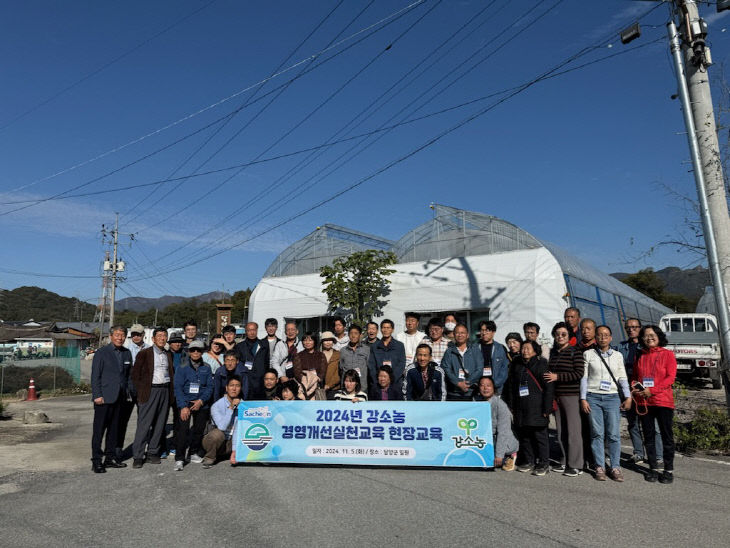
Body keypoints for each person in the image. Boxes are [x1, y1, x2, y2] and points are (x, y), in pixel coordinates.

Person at [581, 325, 631, 482]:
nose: (603, 337)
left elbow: (622, 378)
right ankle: (599, 466)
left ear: (611, 338)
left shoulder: (617, 356)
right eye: (600, 335)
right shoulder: (588, 354)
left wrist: (628, 397)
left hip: (612, 397)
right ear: (596, 337)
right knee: (597, 433)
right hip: (593, 397)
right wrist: (583, 398)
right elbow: (584, 378)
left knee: (614, 434)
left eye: (606, 335)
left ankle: (615, 466)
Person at [632, 325, 677, 484]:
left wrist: (652, 390)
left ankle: (668, 470)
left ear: (658, 336)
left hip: (663, 401)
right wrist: (638, 389)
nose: (648, 338)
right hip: (645, 402)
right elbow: (635, 378)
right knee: (649, 436)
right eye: (645, 335)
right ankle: (652, 468)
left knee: (666, 436)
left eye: (652, 335)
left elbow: (670, 378)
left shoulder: (668, 354)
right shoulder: (641, 356)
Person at [502, 340, 554, 476]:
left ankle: (543, 463)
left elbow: (549, 388)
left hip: (538, 407)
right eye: (523, 348)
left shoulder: (541, 364)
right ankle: (529, 461)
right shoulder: (516, 363)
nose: (525, 350)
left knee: (540, 436)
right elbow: (511, 386)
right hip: (521, 407)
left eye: (528, 348)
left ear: (535, 351)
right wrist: (511, 405)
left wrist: (547, 409)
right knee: (525, 436)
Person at [544, 321, 584, 477]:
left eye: (563, 334)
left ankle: (576, 464)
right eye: (557, 334)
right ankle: (564, 460)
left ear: (569, 336)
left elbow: (578, 374)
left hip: (571, 396)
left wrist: (557, 377)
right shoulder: (553, 353)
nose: (560, 337)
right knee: (561, 431)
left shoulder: (575, 352)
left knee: (573, 431)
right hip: (557, 396)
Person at [130, 327, 175, 469]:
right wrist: (140, 393)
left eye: (164, 336)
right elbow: (135, 376)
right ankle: (138, 455)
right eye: (159, 336)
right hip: (150, 391)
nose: (162, 338)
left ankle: (152, 452)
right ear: (153, 339)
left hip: (165, 390)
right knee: (144, 424)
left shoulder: (168, 354)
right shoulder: (144, 354)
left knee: (160, 424)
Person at [619, 317, 662, 465]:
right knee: (632, 423)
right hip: (629, 389)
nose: (631, 330)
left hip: (647, 389)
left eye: (635, 327)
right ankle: (638, 453)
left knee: (653, 425)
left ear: (640, 328)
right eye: (628, 328)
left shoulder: (647, 348)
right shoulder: (621, 347)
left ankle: (658, 455)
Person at [90, 326, 132, 473]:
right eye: (117, 335)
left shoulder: (127, 353)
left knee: (114, 431)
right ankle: (96, 460)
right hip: (104, 398)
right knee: (99, 431)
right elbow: (95, 376)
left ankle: (110, 458)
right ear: (111, 336)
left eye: (122, 335)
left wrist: (128, 393)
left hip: (119, 398)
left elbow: (127, 376)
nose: (120, 338)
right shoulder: (102, 353)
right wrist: (97, 395)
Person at [173, 340, 213, 471]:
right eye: (193, 350)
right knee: (182, 431)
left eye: (198, 350)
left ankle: (193, 452)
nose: (196, 352)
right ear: (189, 352)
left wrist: (201, 401)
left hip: (200, 402)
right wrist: (183, 406)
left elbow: (209, 387)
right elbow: (178, 387)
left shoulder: (206, 367)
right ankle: (179, 458)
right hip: (186, 402)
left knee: (198, 430)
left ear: (202, 352)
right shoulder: (182, 367)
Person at [117, 323, 148, 462]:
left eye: (138, 334)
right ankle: (117, 451)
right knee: (122, 421)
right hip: (128, 390)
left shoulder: (149, 349)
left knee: (144, 421)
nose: (136, 337)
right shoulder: (126, 349)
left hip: (144, 390)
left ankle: (140, 451)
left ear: (143, 335)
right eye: (133, 334)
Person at [474, 377, 518, 471]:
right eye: (482, 385)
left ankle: (510, 455)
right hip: (486, 438)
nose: (485, 388)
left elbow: (503, 432)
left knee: (493, 463)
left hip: (501, 439)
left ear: (494, 388)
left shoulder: (500, 405)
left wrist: (499, 455)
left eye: (488, 385)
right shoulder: (476, 402)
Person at [202, 375, 242, 468]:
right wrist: (231, 408)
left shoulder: (244, 405)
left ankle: (236, 454)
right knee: (216, 434)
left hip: (234, 441)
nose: (234, 388)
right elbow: (222, 427)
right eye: (232, 385)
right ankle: (210, 457)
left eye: (237, 386)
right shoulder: (216, 405)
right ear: (226, 388)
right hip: (219, 441)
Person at [441, 324, 484, 401]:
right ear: (454, 335)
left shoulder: (475, 350)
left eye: (462, 333)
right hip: (454, 392)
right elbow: (446, 369)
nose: (460, 335)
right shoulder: (449, 351)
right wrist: (458, 383)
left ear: (467, 335)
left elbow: (480, 369)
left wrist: (467, 383)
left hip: (472, 392)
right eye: (457, 333)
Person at [368, 319, 406, 391]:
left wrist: (392, 379)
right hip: (378, 383)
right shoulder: (375, 346)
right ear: (381, 330)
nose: (385, 330)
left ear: (392, 330)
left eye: (388, 328)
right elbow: (372, 365)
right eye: (383, 328)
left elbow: (401, 364)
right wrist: (378, 380)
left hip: (395, 383)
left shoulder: (399, 345)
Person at [235, 322, 269, 399]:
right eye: (249, 330)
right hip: (246, 381)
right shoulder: (240, 346)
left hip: (260, 381)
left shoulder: (264, 345)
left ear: (257, 330)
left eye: (254, 330)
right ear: (246, 331)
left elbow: (267, 362)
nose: (252, 332)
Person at [292, 332, 327, 399]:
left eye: (310, 340)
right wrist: (307, 383)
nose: (307, 342)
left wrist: (315, 381)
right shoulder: (298, 356)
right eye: (305, 340)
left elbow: (322, 373)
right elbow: (298, 374)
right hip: (303, 388)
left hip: (317, 388)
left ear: (315, 341)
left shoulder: (321, 355)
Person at [477, 320, 509, 393]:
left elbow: (504, 369)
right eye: (482, 330)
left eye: (487, 330)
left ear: (493, 332)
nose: (484, 333)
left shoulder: (500, 348)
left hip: (496, 388)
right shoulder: (474, 347)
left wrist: (494, 384)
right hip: (479, 388)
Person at [339, 325, 371, 393]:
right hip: (347, 387)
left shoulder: (366, 349)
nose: (353, 336)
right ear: (348, 335)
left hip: (362, 387)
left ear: (360, 335)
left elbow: (369, 367)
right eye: (351, 333)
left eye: (356, 333)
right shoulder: (343, 351)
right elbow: (341, 368)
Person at [320, 331, 341, 398]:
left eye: (330, 340)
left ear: (333, 341)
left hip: (335, 388)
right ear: (322, 342)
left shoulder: (338, 354)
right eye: (325, 340)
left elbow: (339, 372)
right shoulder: (318, 355)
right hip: (321, 389)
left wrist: (329, 385)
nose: (328, 342)